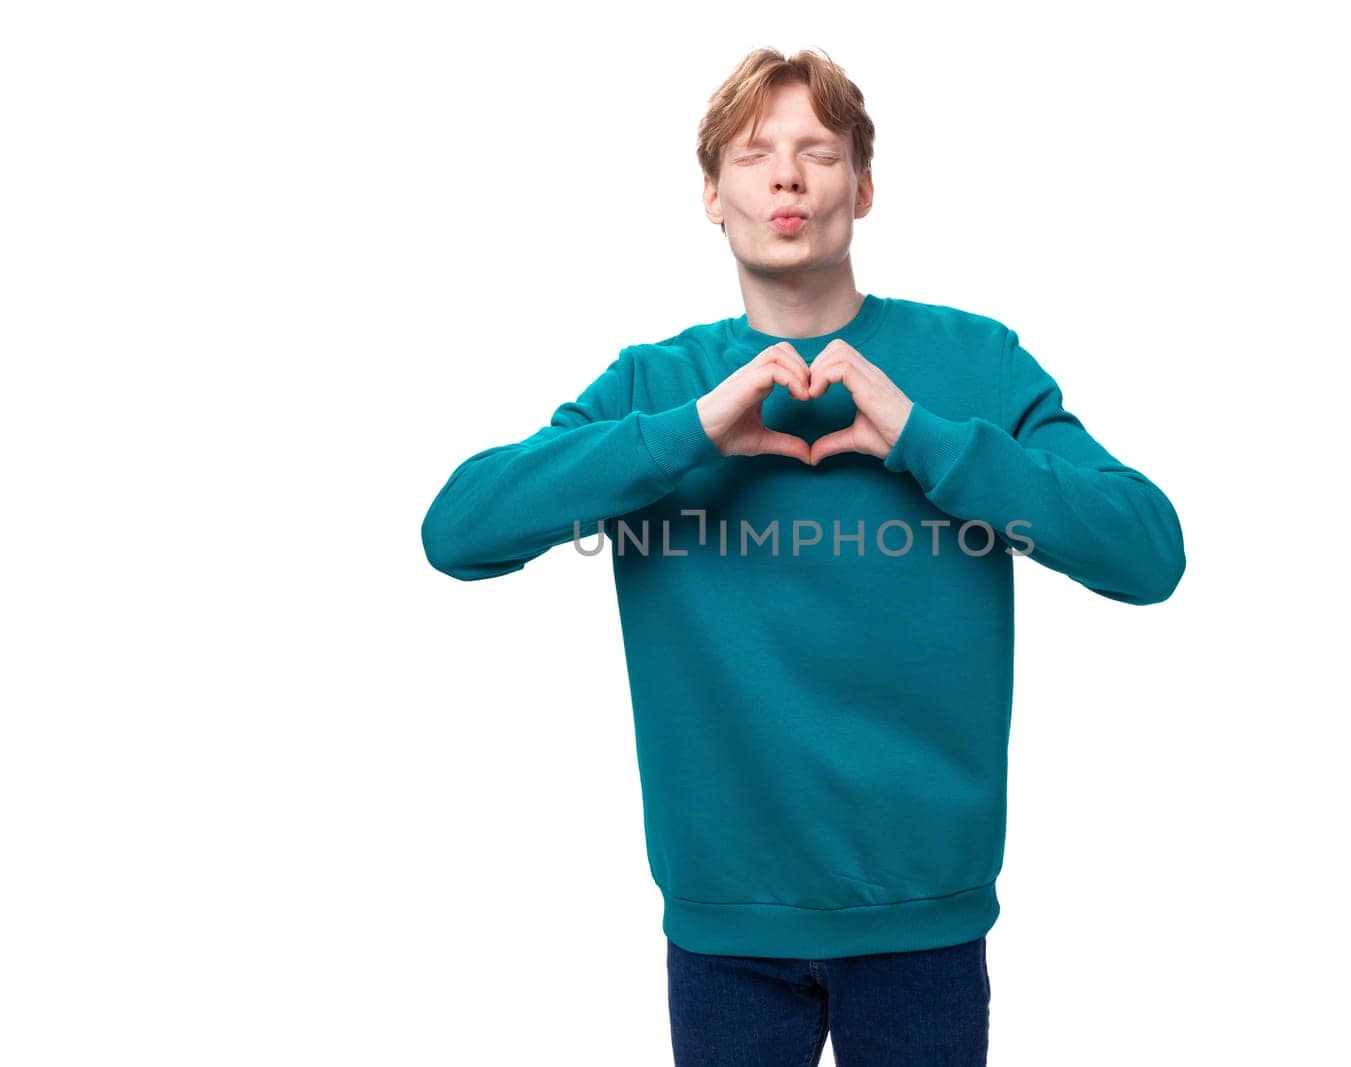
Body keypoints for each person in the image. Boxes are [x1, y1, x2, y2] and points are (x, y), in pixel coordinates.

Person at [421, 46, 1185, 1067]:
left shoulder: (976, 363)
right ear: (711, 194)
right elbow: (459, 531)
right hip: (724, 925)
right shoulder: (658, 385)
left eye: (817, 152)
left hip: (922, 920)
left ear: (862, 186)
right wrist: (683, 434)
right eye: (753, 154)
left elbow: (1146, 551)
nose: (786, 175)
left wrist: (926, 438)